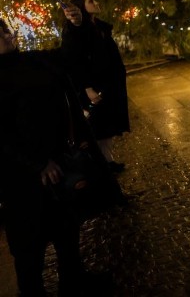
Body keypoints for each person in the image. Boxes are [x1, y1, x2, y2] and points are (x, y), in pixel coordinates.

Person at [1, 15, 115, 295]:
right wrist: (36, 163)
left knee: (66, 228)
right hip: (24, 178)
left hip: (60, 160)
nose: (7, 34)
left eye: (4, 28)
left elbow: (68, 57)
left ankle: (74, 281)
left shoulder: (31, 60)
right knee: (30, 245)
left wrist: (75, 26)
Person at [61, 0, 131, 173]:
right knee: (98, 127)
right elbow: (75, 62)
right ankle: (101, 164)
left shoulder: (99, 27)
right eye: (91, 1)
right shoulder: (76, 30)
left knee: (108, 125)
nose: (96, 2)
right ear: (81, 7)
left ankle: (108, 160)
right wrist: (87, 88)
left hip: (109, 83)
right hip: (94, 85)